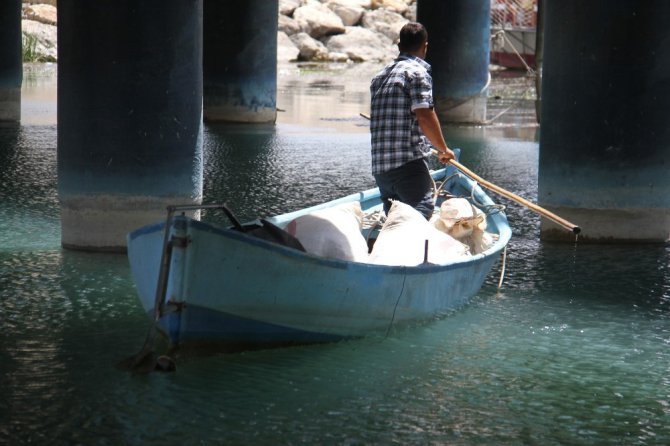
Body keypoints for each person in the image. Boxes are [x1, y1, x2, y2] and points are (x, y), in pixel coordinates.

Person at [369, 22, 455, 220]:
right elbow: (424, 116)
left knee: (395, 221)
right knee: (420, 215)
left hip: (381, 169)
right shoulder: (417, 73)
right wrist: (443, 149)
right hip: (407, 166)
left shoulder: (378, 77)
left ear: (399, 46)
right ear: (425, 47)